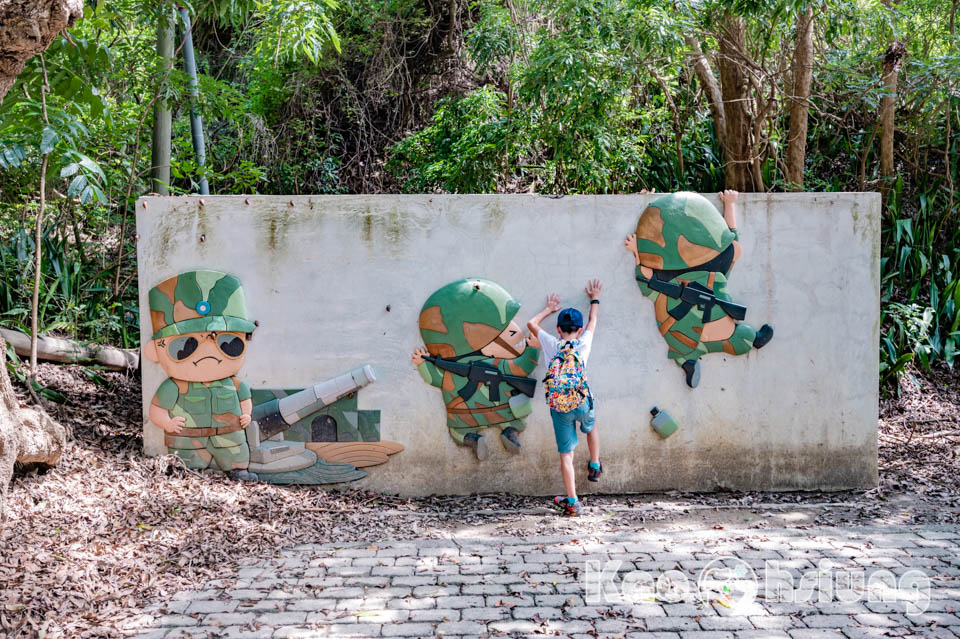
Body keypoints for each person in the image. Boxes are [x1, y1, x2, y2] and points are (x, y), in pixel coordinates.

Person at [143, 270, 259, 481]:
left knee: (236, 457)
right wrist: (167, 423)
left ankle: (238, 470)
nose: (208, 353)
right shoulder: (175, 386)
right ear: (154, 351)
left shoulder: (233, 384)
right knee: (187, 464)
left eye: (228, 344)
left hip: (229, 438)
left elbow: (245, 398)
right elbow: (157, 409)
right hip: (188, 441)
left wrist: (247, 414)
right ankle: (188, 472)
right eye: (183, 346)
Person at [412, 278, 540, 460]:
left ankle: (471, 438)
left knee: (459, 431)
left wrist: (422, 364)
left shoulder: (449, 372)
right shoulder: (499, 364)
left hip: (462, 419)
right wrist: (533, 348)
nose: (515, 334)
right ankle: (510, 431)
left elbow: (433, 378)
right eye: (506, 332)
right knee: (514, 421)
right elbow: (523, 367)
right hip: (503, 411)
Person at [527, 279, 603, 517]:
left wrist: (549, 309)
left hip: (560, 406)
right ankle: (594, 465)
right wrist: (594, 298)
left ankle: (572, 502)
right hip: (582, 401)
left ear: (558, 329)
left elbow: (531, 324)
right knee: (591, 428)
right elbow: (593, 320)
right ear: (578, 331)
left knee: (566, 455)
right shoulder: (583, 343)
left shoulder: (551, 343)